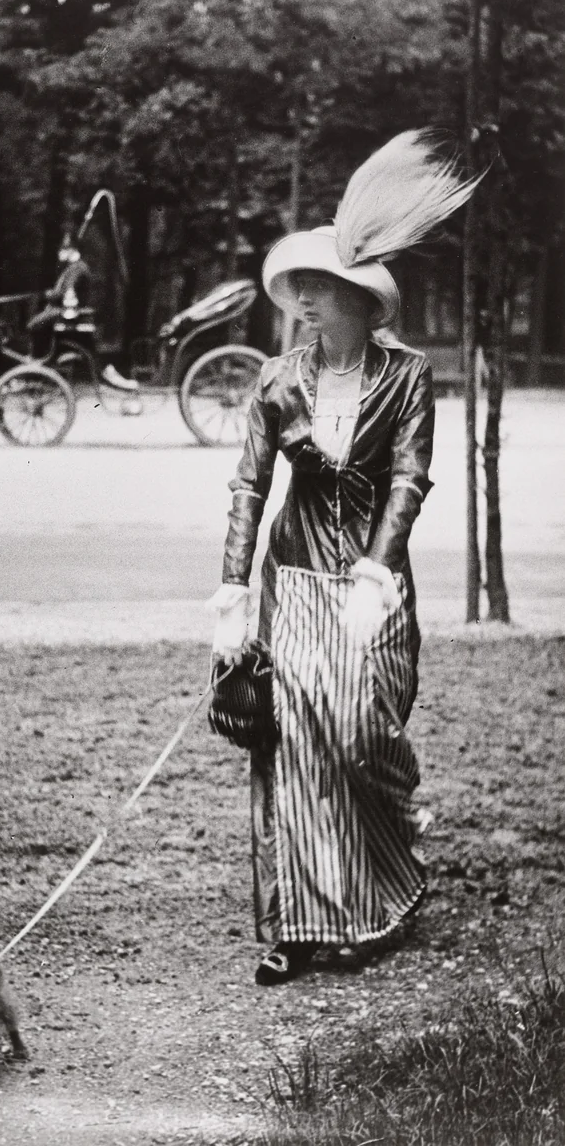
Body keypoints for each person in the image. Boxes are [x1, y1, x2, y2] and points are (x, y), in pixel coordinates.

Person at [208, 130, 480, 985]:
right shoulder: (277, 381)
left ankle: (387, 879)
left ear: (364, 301)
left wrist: (376, 570)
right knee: (295, 748)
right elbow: (249, 487)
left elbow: (410, 478)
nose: (308, 305)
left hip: (368, 584)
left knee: (362, 734)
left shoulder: (407, 378)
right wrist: (229, 589)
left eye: (324, 291)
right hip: (290, 580)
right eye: (302, 292)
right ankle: (300, 926)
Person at [27, 234, 138, 392]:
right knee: (36, 324)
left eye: (61, 249)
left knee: (33, 325)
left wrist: (52, 295)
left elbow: (69, 293)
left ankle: (35, 364)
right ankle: (36, 363)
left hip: (69, 315)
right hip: (67, 313)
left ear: (70, 250)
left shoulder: (77, 269)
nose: (59, 253)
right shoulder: (73, 268)